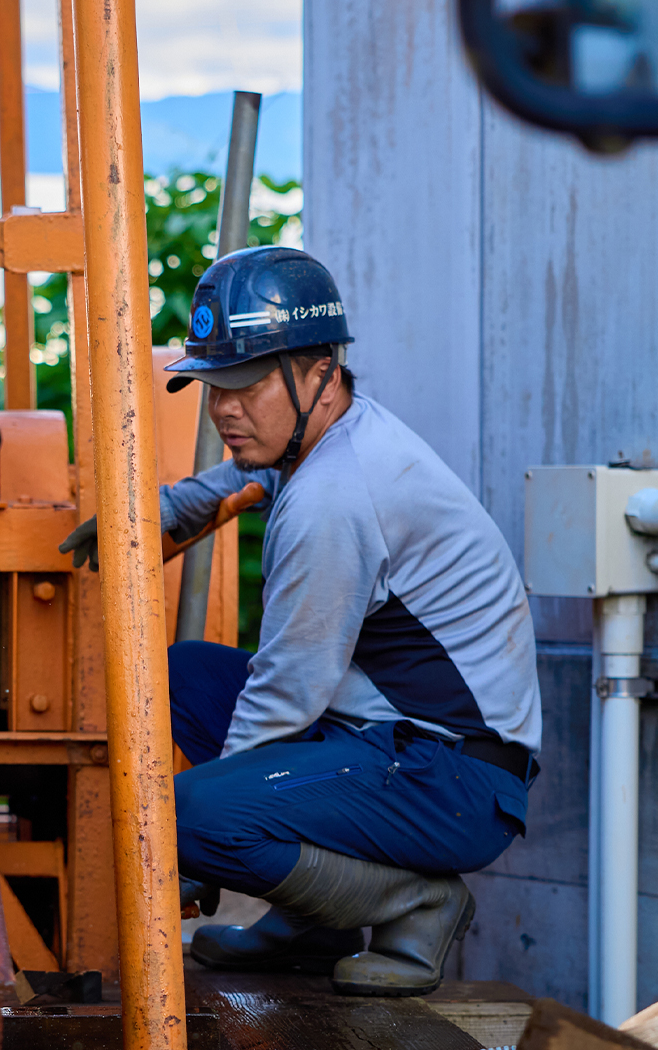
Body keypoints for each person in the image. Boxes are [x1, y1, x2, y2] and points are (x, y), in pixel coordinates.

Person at [61, 246, 539, 996]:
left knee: (182, 816)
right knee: (186, 676)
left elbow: (286, 691)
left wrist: (198, 845)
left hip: (456, 778)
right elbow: (253, 469)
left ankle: (417, 904)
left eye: (247, 383)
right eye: (213, 385)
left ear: (321, 371)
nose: (224, 407)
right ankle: (317, 924)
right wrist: (174, 504)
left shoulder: (337, 498)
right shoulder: (336, 435)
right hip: (393, 740)